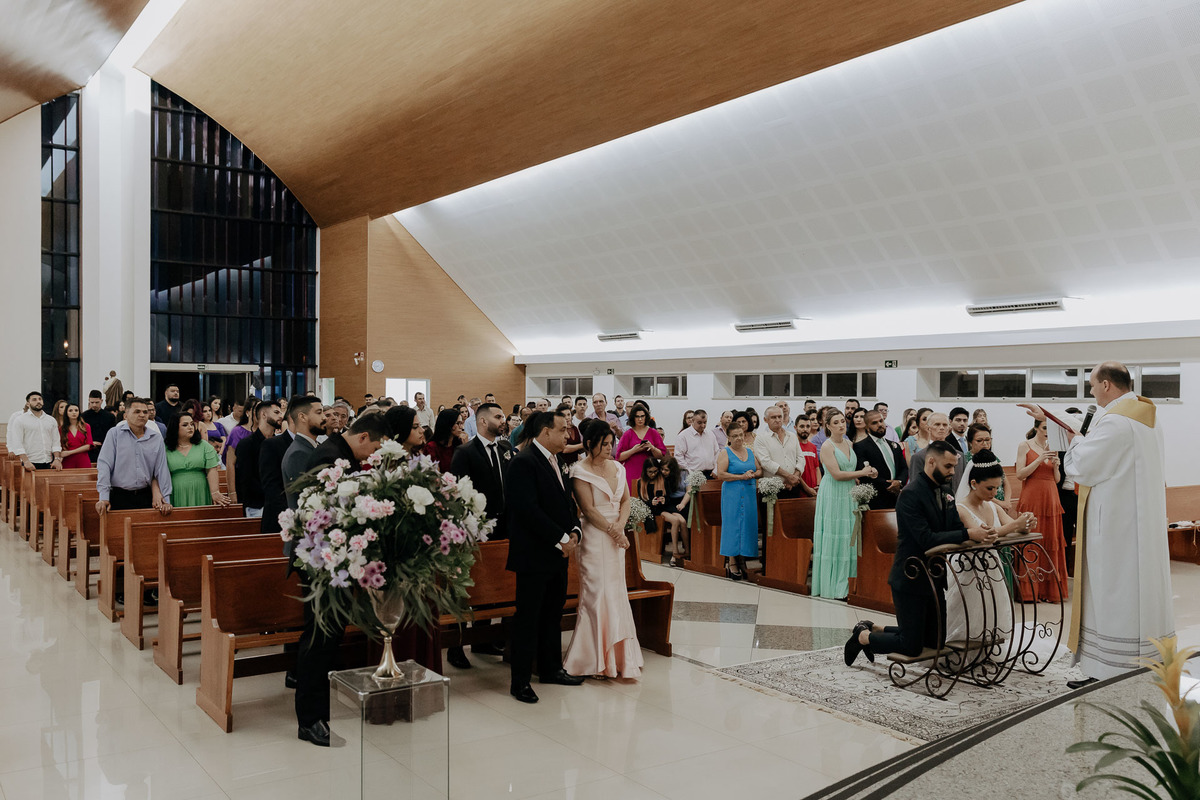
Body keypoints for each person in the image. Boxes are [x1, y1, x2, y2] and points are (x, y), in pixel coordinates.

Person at [1021, 362, 1173, 688]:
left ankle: (1108, 670)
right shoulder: (1147, 417)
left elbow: (1082, 465)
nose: (1090, 391)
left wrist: (1074, 440)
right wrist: (1048, 414)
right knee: (1136, 591)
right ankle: (1142, 662)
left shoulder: (1117, 423)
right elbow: (1095, 432)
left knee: (1113, 593)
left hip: (1116, 528)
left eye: (1091, 385)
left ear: (1106, 385)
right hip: (1137, 524)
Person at [845, 441, 996, 665]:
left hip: (935, 575)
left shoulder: (946, 491)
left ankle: (875, 627)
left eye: (954, 467)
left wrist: (977, 530)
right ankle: (863, 637)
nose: (953, 472)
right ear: (931, 461)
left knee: (935, 643)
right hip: (910, 576)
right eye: (948, 466)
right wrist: (967, 534)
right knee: (911, 646)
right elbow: (926, 538)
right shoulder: (910, 495)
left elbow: (954, 526)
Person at [292, 413, 390, 747]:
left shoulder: (339, 452)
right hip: (322, 562)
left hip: (336, 561)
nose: (373, 454)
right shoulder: (331, 457)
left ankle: (319, 711)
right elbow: (316, 512)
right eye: (374, 446)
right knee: (318, 638)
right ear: (363, 437)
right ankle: (309, 719)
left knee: (328, 639)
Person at [504, 411, 586, 704]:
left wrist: (574, 530)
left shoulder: (558, 461)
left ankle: (551, 669)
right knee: (528, 617)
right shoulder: (523, 462)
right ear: (544, 431)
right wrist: (561, 538)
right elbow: (526, 509)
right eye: (563, 430)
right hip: (533, 554)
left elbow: (566, 504)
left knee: (553, 612)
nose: (567, 436)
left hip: (557, 553)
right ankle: (521, 681)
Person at [563, 419, 643, 680]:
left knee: (616, 592)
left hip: (615, 535)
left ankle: (620, 657)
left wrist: (620, 527)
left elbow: (626, 500)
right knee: (596, 594)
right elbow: (588, 510)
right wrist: (613, 532)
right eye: (604, 444)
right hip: (595, 538)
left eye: (611, 443)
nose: (609, 448)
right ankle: (593, 658)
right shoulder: (579, 471)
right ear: (589, 444)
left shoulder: (619, 468)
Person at [447, 402, 513, 669]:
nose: (503, 420)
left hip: (503, 528)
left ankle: (483, 639)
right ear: (483, 421)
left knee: (494, 585)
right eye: (498, 416)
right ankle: (456, 645)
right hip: (475, 530)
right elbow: (458, 494)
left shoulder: (506, 449)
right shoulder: (465, 452)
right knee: (468, 588)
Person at [947, 450, 1033, 645]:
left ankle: (990, 645)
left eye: (997, 488)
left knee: (992, 607)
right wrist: (1015, 525)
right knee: (971, 610)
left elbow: (1014, 526)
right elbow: (984, 534)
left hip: (991, 565)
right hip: (967, 569)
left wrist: (1027, 522)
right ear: (974, 483)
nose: (994, 494)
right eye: (989, 489)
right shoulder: (961, 508)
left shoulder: (992, 506)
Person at [812, 411, 877, 599]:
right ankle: (833, 586)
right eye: (836, 422)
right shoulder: (827, 446)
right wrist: (861, 474)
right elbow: (837, 474)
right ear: (828, 426)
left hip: (849, 492)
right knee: (835, 534)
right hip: (833, 492)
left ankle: (848, 583)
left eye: (842, 421)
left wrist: (868, 472)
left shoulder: (849, 443)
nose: (841, 425)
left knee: (849, 533)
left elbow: (851, 470)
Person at [1013, 418, 1066, 603]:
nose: (1047, 432)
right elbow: (1020, 474)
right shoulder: (1024, 445)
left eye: (1050, 429)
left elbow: (1057, 480)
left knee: (1050, 541)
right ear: (1036, 427)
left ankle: (1049, 591)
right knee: (1033, 542)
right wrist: (1040, 459)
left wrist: (1057, 466)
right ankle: (1030, 592)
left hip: (1051, 497)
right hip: (1032, 496)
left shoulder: (1054, 447)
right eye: (1044, 428)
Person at [95, 398, 172, 514]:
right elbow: (105, 466)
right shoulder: (114, 434)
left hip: (145, 495)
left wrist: (166, 499)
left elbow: (161, 470)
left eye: (145, 412)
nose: (142, 415)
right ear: (125, 415)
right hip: (119, 495)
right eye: (137, 412)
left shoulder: (156, 438)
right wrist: (104, 497)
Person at [715, 423, 760, 581]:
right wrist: (741, 477)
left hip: (748, 493)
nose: (739, 438)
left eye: (741, 434)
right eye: (735, 436)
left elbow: (759, 469)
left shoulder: (749, 451)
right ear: (729, 437)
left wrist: (752, 474)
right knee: (733, 525)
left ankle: (743, 558)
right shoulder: (725, 453)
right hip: (732, 493)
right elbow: (721, 474)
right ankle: (732, 561)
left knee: (747, 524)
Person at [164, 411, 227, 508]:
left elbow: (211, 470)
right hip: (176, 489)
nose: (190, 427)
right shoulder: (166, 448)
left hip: (200, 488)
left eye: (192, 424)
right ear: (175, 427)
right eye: (185, 425)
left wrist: (215, 492)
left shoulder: (204, 445)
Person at [232, 399, 282, 518]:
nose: (281, 416)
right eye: (276, 412)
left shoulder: (279, 443)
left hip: (278, 504)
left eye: (281, 412)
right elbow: (246, 479)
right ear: (264, 415)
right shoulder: (247, 444)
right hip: (257, 505)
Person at [754, 405, 813, 498]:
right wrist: (789, 477)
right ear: (765, 420)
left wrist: (794, 477)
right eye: (773, 417)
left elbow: (801, 458)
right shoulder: (760, 438)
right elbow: (765, 462)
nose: (777, 420)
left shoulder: (792, 436)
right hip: (772, 489)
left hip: (793, 486)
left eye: (779, 416)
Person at [853, 410, 907, 510]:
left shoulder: (894, 445)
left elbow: (904, 468)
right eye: (874, 423)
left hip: (898, 497)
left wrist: (899, 482)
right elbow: (865, 474)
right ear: (867, 427)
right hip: (877, 499)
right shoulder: (860, 447)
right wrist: (890, 485)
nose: (880, 424)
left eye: (881, 421)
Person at [280, 395, 325, 512]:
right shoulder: (298, 453)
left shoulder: (310, 446)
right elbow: (306, 498)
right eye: (319, 413)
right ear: (302, 417)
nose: (324, 417)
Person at [906, 413, 964, 493]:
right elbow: (915, 487)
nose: (941, 428)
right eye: (937, 424)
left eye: (945, 425)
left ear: (949, 429)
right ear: (929, 428)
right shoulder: (919, 457)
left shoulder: (960, 455)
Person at [614, 405, 665, 492]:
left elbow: (661, 455)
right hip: (632, 471)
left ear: (646, 417)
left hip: (650, 472)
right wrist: (633, 450)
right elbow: (618, 457)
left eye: (642, 416)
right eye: (637, 416)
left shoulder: (653, 433)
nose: (640, 419)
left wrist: (652, 448)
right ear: (633, 418)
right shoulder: (628, 434)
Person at [9, 391, 63, 472]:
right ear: (28, 403)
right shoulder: (20, 420)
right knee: (30, 485)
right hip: (30, 462)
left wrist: (57, 459)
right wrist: (26, 461)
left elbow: (56, 441)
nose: (38, 401)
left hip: (49, 461)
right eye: (34, 399)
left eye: (40, 399)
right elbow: (17, 443)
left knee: (48, 484)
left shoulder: (51, 420)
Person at [674, 409, 720, 478]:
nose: (703, 425)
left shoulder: (711, 434)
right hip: (692, 474)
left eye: (705, 422)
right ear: (693, 421)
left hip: (710, 473)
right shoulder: (683, 436)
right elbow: (678, 456)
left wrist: (716, 470)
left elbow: (717, 453)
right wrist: (689, 472)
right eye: (699, 423)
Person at [425, 408, 465, 472]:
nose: (461, 427)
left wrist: (465, 446)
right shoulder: (432, 447)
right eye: (458, 423)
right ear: (448, 424)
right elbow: (434, 475)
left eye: (461, 423)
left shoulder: (457, 443)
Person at [81, 390, 116, 464]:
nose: (94, 405)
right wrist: (90, 442)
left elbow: (113, 434)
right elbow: (81, 433)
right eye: (92, 402)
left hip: (106, 448)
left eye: (97, 402)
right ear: (89, 401)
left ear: (101, 401)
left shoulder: (110, 416)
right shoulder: (83, 416)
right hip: (88, 449)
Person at [59, 403, 94, 469]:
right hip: (68, 461)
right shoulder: (61, 429)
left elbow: (88, 446)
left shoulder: (86, 426)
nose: (74, 412)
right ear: (66, 413)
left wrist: (69, 452)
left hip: (83, 459)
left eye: (76, 410)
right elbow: (60, 446)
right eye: (70, 410)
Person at [796, 414, 821, 495]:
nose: (805, 429)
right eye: (802, 426)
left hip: (815, 490)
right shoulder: (793, 446)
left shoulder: (813, 447)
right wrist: (807, 489)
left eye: (808, 426)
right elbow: (795, 472)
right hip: (800, 490)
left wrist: (818, 485)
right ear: (795, 428)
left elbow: (817, 468)